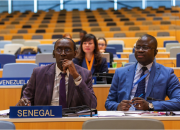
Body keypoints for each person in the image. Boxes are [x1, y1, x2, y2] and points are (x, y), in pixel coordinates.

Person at [105, 34, 180, 111]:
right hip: (125, 118)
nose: (140, 50)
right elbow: (108, 103)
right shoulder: (120, 72)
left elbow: (178, 101)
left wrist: (150, 105)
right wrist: (118, 106)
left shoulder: (167, 73)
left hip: (151, 119)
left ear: (155, 52)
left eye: (145, 47)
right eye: (137, 47)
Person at [17, 38, 97, 109]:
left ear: (75, 54)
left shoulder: (85, 74)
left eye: (67, 50)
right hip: (45, 120)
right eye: (58, 50)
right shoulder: (38, 73)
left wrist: (76, 77)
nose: (63, 53)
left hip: (71, 121)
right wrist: (24, 102)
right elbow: (25, 100)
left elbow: (92, 105)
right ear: (54, 54)